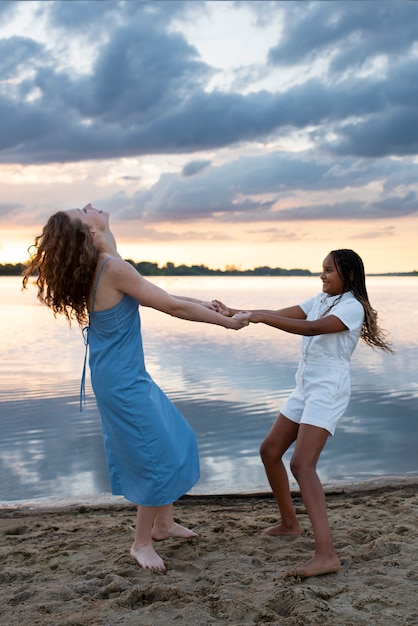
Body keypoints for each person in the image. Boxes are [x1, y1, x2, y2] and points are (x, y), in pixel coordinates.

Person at [22, 203, 249, 572]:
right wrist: (227, 324)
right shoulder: (112, 267)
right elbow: (172, 308)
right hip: (121, 379)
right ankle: (141, 543)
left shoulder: (109, 263)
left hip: (121, 373)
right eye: (83, 210)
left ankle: (164, 524)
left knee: (175, 437)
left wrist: (209, 305)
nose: (90, 205)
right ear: (91, 233)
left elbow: (163, 296)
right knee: (153, 453)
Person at [213, 249, 393, 578]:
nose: (322, 276)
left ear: (349, 276)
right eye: (321, 270)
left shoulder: (352, 308)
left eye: (329, 271)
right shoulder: (321, 300)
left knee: (302, 464)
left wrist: (261, 318)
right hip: (305, 387)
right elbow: (282, 312)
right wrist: (236, 312)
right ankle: (289, 523)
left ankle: (326, 555)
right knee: (269, 451)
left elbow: (310, 329)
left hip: (329, 389)